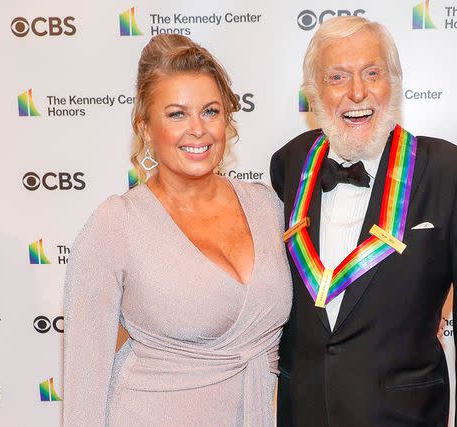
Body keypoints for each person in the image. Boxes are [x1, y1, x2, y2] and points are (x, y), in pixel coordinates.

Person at [270, 16, 457, 427]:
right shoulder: (290, 163)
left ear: (394, 82)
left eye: (372, 72)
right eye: (336, 77)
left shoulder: (451, 172)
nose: (357, 92)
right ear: (313, 93)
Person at [63, 34, 292, 427]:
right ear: (146, 129)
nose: (198, 129)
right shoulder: (116, 224)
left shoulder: (268, 206)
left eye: (210, 111)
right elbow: (84, 379)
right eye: (176, 114)